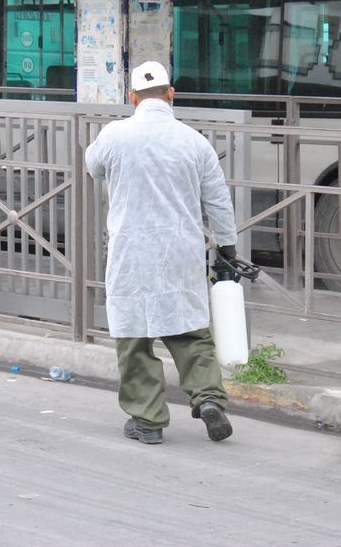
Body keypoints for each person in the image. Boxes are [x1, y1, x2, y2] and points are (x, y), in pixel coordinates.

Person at [84, 60, 239, 445]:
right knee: (190, 331)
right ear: (171, 94)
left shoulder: (115, 135)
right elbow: (218, 201)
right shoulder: (194, 141)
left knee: (134, 337)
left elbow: (93, 166)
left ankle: (148, 421)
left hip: (132, 253)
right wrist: (228, 247)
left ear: (132, 97)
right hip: (181, 251)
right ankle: (208, 398)